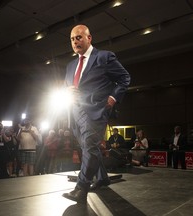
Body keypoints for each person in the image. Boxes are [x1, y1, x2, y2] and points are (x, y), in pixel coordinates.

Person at [62, 24, 130, 203]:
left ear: (89, 38)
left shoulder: (104, 57)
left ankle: (81, 188)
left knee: (90, 148)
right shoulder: (70, 66)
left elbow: (124, 78)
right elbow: (66, 87)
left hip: (95, 111)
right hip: (74, 112)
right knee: (86, 147)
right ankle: (102, 177)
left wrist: (113, 98)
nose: (75, 41)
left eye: (79, 37)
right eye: (72, 39)